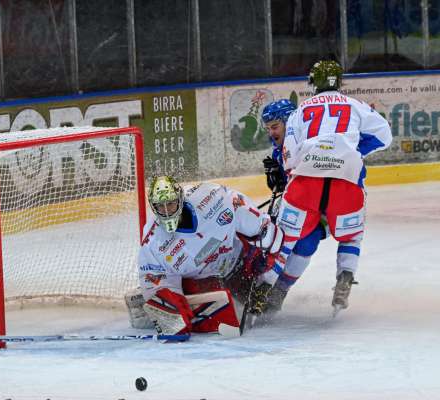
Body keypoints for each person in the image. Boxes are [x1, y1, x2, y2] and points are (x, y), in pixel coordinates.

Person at [272, 60, 392, 314]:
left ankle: (267, 291)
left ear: (313, 83)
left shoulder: (301, 109)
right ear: (339, 82)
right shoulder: (355, 105)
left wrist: (292, 170)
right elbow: (385, 135)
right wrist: (352, 150)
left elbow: (290, 155)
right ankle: (345, 276)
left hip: (307, 181)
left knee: (287, 237)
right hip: (346, 179)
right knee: (350, 235)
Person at [125, 176, 285, 337]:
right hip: (205, 282)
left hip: (242, 264)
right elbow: (152, 276)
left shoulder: (211, 198)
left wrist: (267, 279)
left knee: (270, 304)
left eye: (171, 204)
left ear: (180, 198)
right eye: (161, 206)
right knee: (177, 319)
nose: (167, 211)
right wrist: (166, 303)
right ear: (153, 207)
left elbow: (267, 232)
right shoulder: (153, 241)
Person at [258, 99, 328, 314]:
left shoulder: (312, 144)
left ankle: (279, 291)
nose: (271, 133)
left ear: (290, 123)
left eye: (275, 126)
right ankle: (258, 285)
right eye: (268, 128)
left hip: (318, 208)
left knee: (305, 244)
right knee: (273, 240)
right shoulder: (280, 150)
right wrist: (278, 179)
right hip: (298, 207)